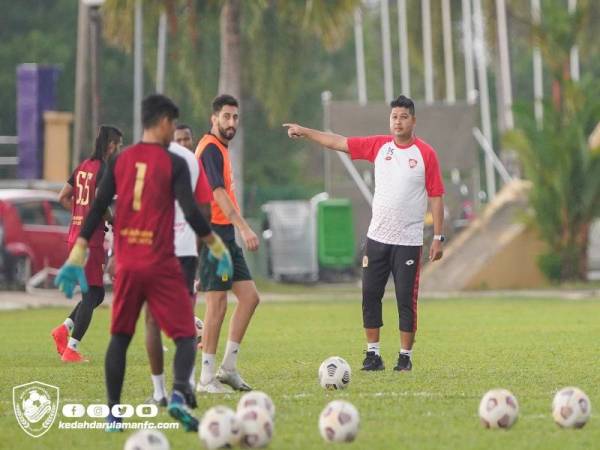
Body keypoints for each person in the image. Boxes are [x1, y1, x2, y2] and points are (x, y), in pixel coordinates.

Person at [55, 94, 233, 432]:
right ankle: (179, 395)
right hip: (163, 262)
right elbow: (193, 212)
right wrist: (216, 247)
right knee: (183, 336)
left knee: (120, 338)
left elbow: (96, 208)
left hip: (129, 264)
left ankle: (112, 415)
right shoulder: (175, 163)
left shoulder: (120, 161)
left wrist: (78, 252)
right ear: (164, 122)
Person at [283, 95, 445, 372]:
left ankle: (404, 356)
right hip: (377, 238)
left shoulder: (425, 154)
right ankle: (373, 354)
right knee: (370, 294)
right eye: (394, 116)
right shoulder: (379, 147)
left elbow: (437, 196)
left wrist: (439, 237)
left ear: (413, 121)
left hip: (408, 241)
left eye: (404, 117)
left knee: (406, 298)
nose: (398, 121)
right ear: (390, 120)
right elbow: (339, 142)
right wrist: (306, 132)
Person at [194, 94, 260, 393]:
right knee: (216, 305)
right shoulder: (209, 148)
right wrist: (244, 227)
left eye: (235, 117)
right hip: (214, 236)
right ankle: (206, 378)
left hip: (226, 236)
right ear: (214, 118)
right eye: (226, 117)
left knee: (249, 298)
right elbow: (218, 193)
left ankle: (228, 368)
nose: (231, 122)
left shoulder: (221, 148)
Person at [144, 138, 213, 406]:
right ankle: (184, 388)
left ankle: (163, 391)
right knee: (184, 323)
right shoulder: (190, 159)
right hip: (183, 250)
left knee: (154, 320)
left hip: (156, 251)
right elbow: (204, 209)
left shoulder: (141, 158)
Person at [51, 125, 122, 363]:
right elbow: (101, 205)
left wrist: (80, 213)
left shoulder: (82, 167)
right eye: (118, 145)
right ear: (110, 144)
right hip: (90, 241)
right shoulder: (103, 169)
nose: (119, 150)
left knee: (96, 294)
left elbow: (62, 197)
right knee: (92, 295)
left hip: (75, 236)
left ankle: (63, 330)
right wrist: (113, 221)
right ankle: (71, 348)